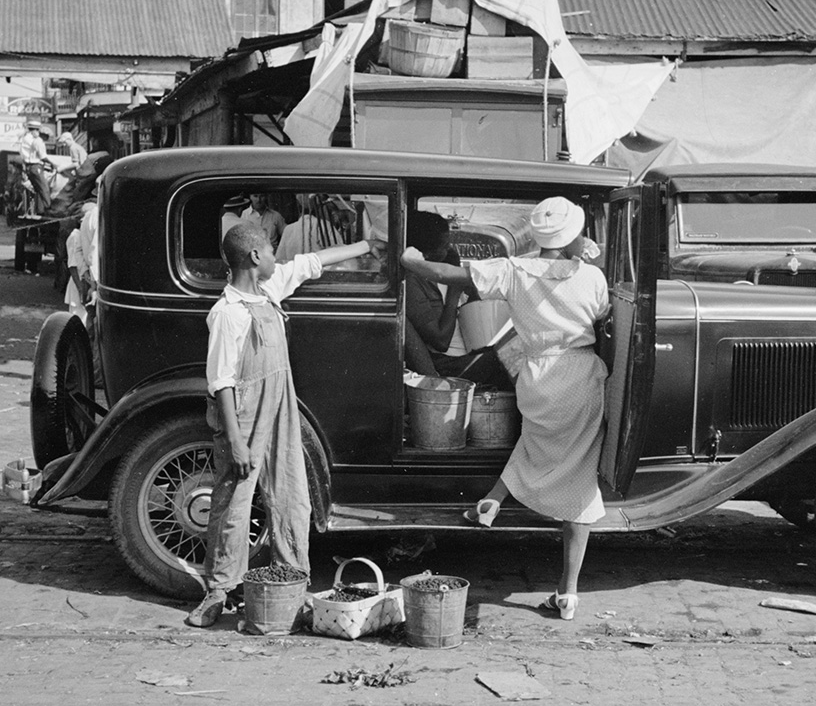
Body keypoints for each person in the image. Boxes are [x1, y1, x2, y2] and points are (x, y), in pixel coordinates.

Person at [400, 197, 609, 621]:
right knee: (581, 482)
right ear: (573, 236)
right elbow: (602, 315)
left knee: (533, 443)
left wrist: (409, 259)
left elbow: (445, 273)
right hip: (580, 376)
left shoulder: (513, 271)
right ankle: (567, 593)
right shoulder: (593, 276)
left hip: (537, 380)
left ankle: (491, 501)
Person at [188, 222, 384, 628]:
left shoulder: (268, 290)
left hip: (280, 407)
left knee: (292, 494)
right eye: (271, 250)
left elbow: (311, 262)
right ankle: (218, 592)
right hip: (243, 415)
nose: (278, 256)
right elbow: (221, 381)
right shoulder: (228, 314)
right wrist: (238, 442)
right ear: (255, 257)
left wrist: (367, 245)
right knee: (233, 504)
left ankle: (292, 584)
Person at [404, 211, 512, 388]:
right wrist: (453, 295)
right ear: (427, 254)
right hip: (448, 364)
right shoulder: (413, 283)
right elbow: (440, 341)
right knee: (509, 360)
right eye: (444, 246)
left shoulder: (448, 261)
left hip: (469, 348)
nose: (449, 249)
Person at [19, 120, 54, 215]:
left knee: (39, 190)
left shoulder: (25, 139)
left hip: (30, 167)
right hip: (35, 167)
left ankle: (40, 210)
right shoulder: (37, 141)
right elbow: (43, 157)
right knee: (44, 188)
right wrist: (53, 164)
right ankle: (48, 209)